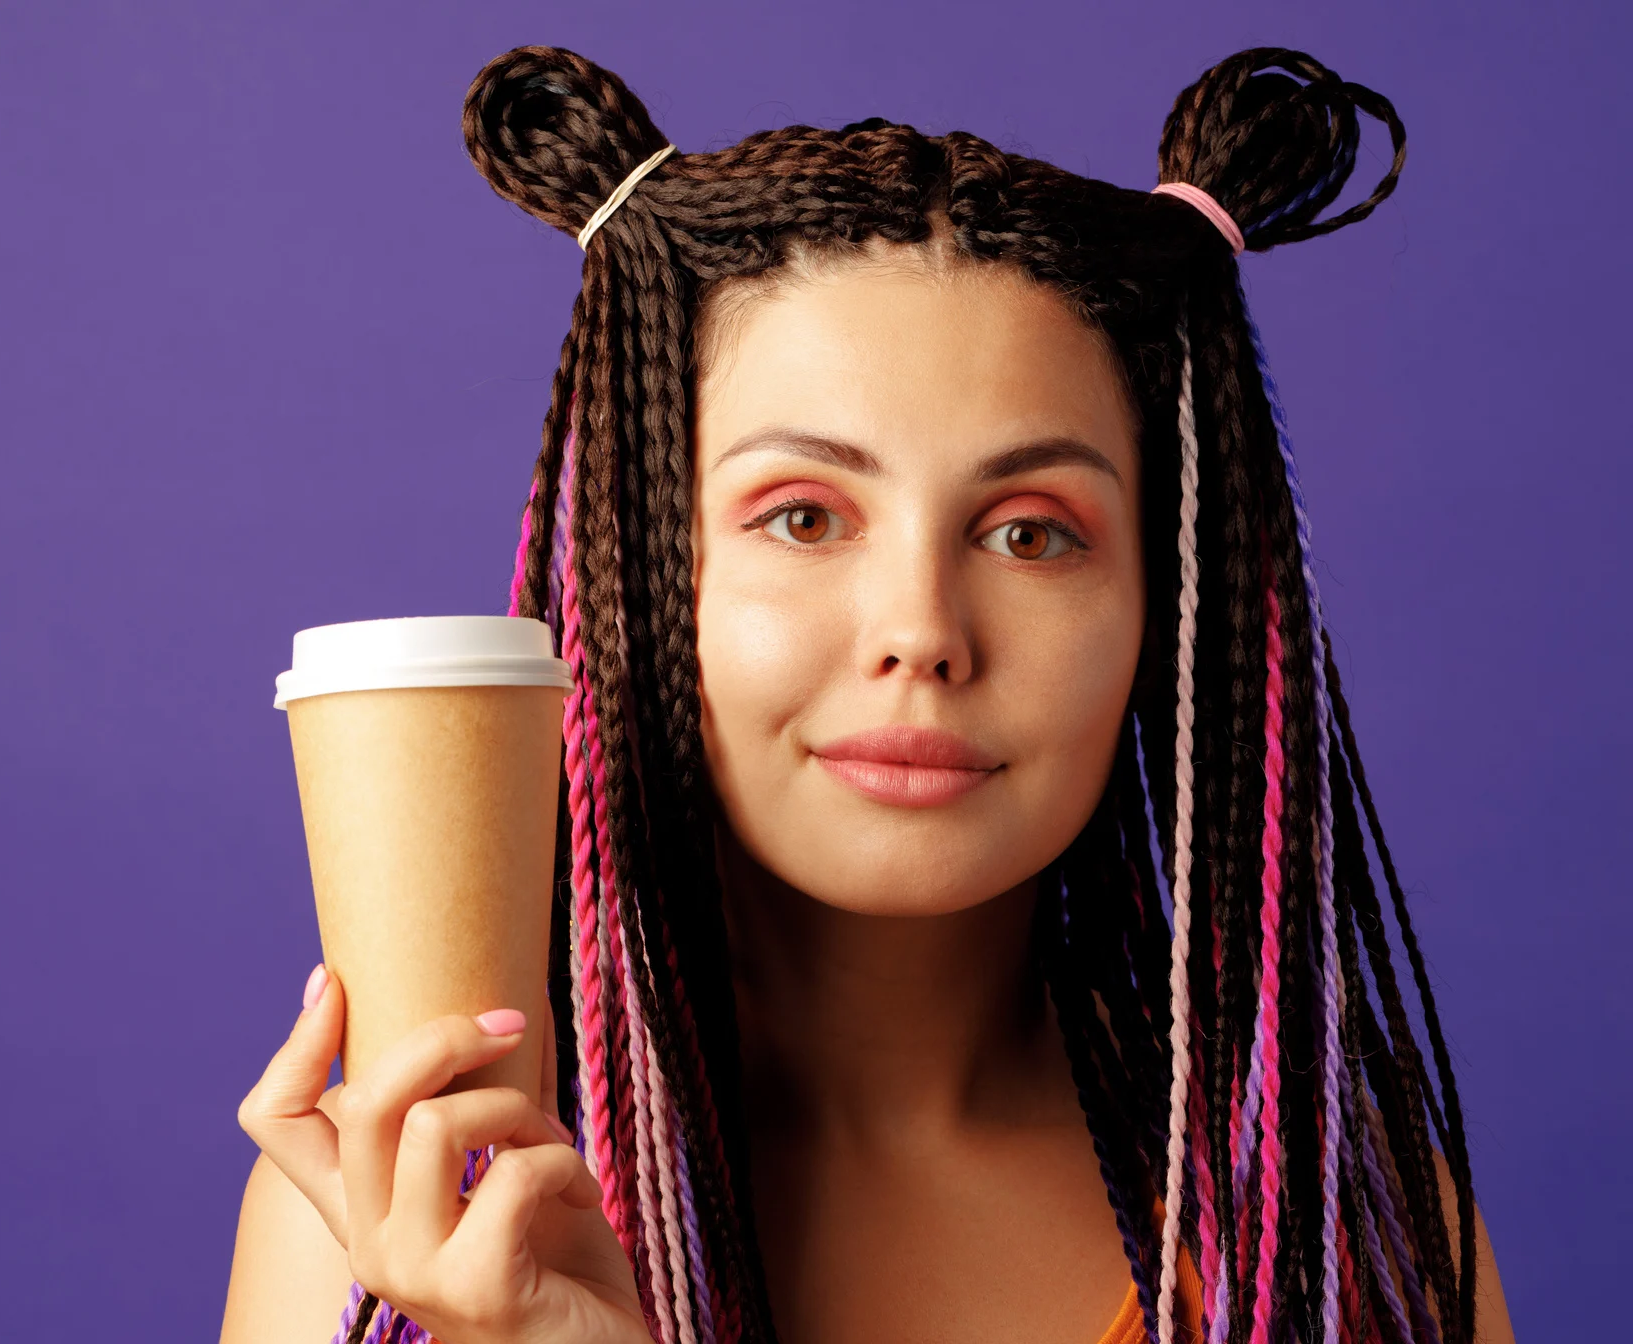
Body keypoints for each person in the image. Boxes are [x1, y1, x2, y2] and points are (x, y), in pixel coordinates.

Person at [221, 44, 1517, 1344]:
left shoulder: (1341, 1206)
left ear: (1164, 606)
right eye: (802, 516)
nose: (922, 632)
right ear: (643, 578)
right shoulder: (404, 1216)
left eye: (1030, 533)